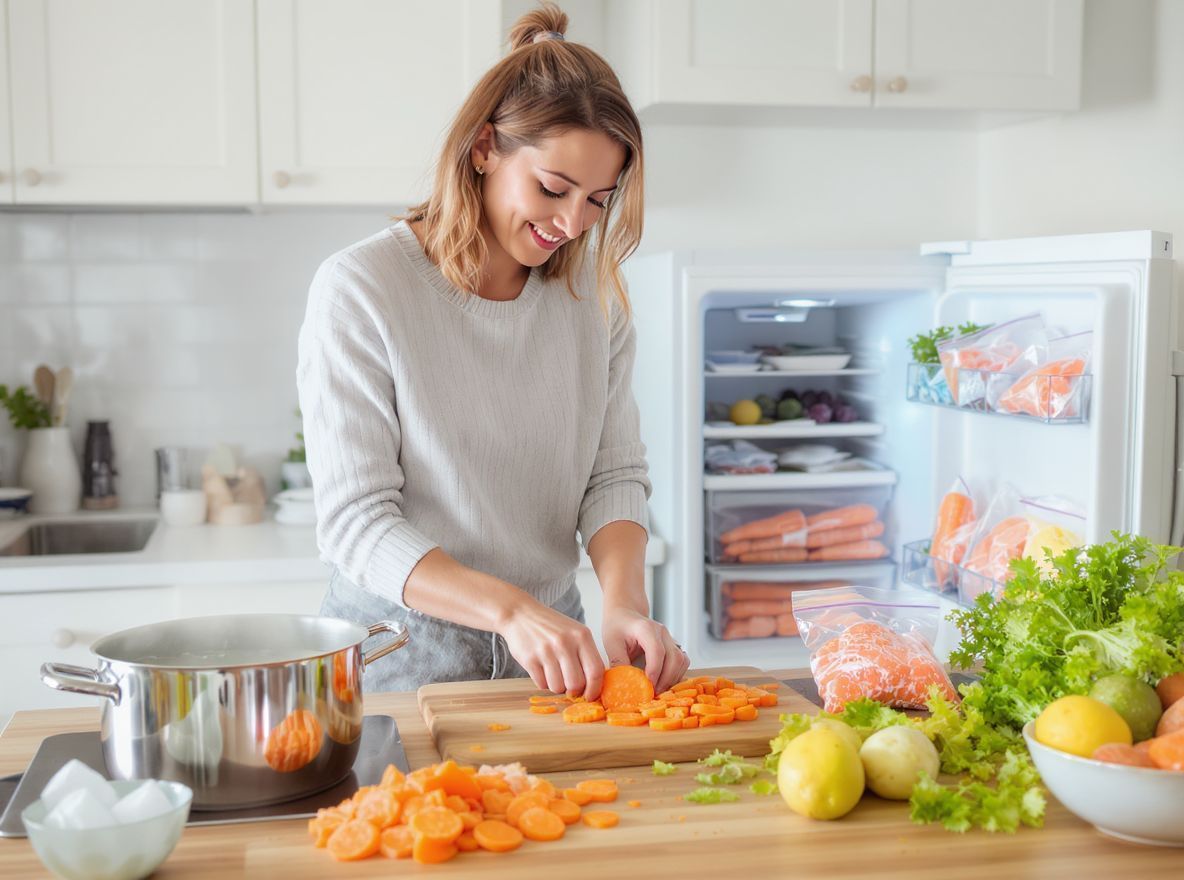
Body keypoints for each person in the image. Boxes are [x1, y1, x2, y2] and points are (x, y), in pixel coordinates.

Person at [296, 3, 689, 700]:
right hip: (399, 654)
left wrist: (624, 602)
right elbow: (357, 524)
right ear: (483, 149)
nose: (572, 225)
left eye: (599, 199)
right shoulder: (362, 288)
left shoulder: (593, 300)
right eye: (552, 188)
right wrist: (510, 611)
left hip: (552, 653)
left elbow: (614, 474)